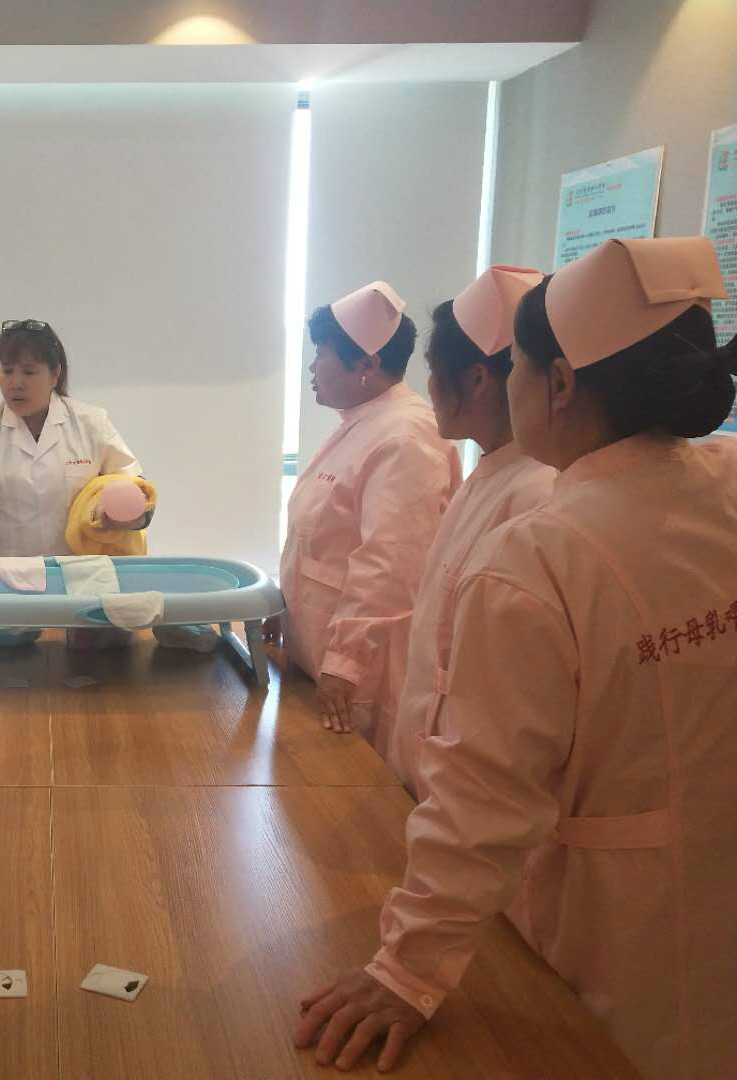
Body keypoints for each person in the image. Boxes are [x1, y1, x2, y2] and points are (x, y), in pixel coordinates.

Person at [295, 236, 737, 1079]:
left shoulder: (542, 552)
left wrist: (405, 969)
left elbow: (486, 797)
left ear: (558, 384)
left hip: (612, 920)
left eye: (518, 370)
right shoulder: (723, 480)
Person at [0, 319, 212, 650]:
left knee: (104, 650)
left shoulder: (91, 423)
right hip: (11, 576)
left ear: (55, 375)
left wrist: (133, 517)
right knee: (8, 647)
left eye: (29, 372)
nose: (16, 383)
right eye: (7, 371)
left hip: (86, 574)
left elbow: (136, 489)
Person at [386, 266, 556, 795]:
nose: (429, 388)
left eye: (434, 371)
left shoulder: (539, 492)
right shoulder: (492, 470)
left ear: (478, 379)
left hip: (469, 772)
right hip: (432, 750)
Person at [277, 282, 462, 753]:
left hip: (362, 673)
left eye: (322, 354)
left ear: (367, 364)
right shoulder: (361, 424)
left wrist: (345, 663)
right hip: (321, 658)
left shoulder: (405, 438)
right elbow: (316, 544)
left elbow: (390, 564)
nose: (312, 367)